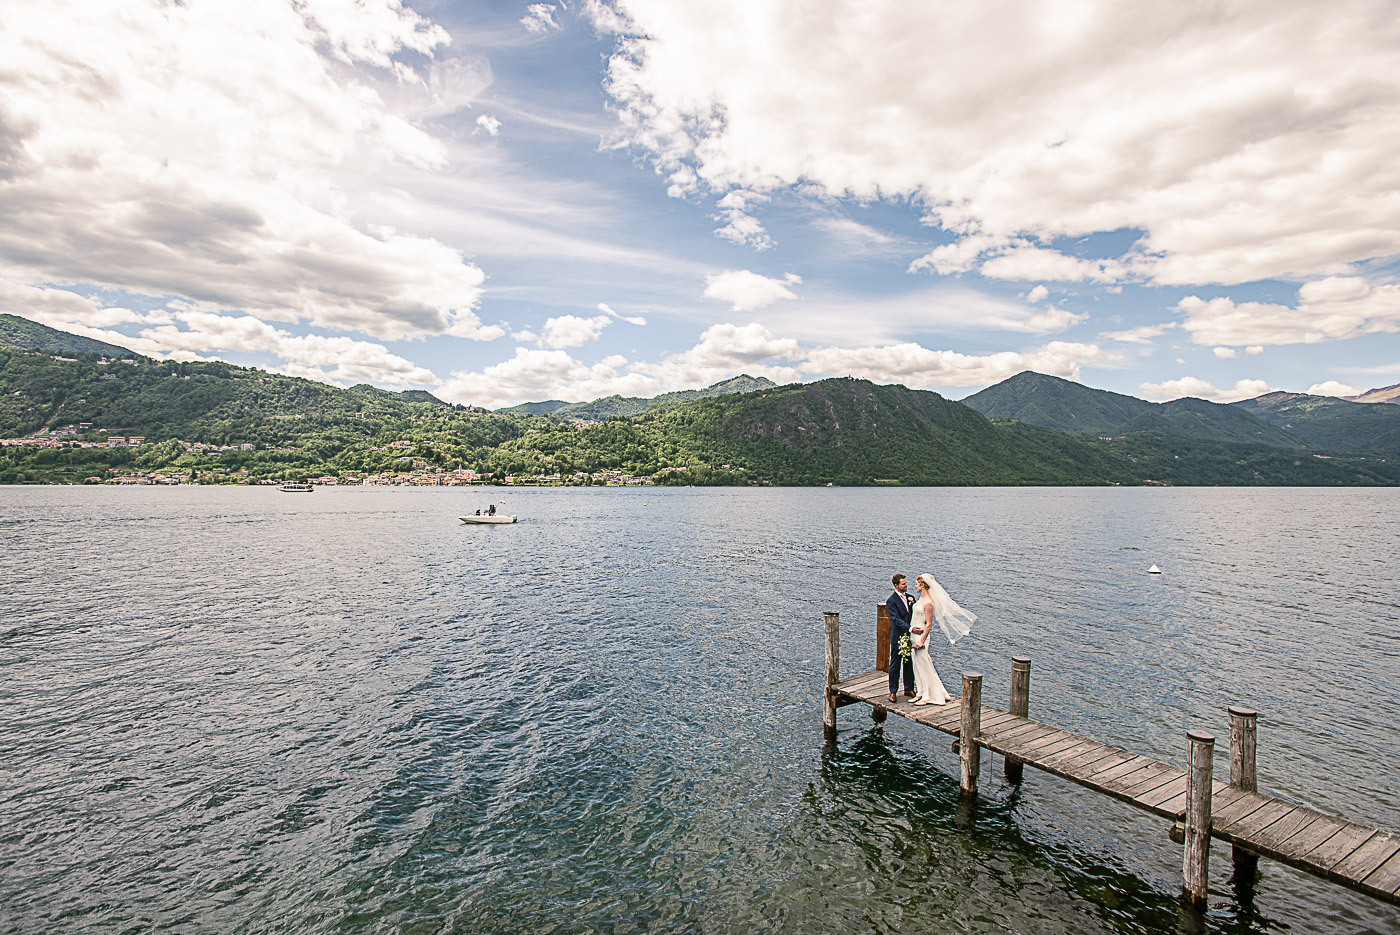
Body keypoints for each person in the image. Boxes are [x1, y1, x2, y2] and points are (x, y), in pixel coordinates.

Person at [910, 573, 954, 706]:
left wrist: (922, 640)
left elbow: (928, 623)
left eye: (917, 584)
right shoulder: (920, 599)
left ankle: (928, 695)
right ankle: (920, 691)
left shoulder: (929, 602)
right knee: (916, 664)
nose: (915, 586)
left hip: (921, 635)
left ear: (923, 586)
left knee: (924, 664)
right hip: (914, 634)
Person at [885, 574, 916, 703]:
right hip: (897, 637)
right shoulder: (891, 601)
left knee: (909, 663)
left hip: (910, 637)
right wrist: (909, 628)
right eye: (903, 584)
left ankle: (909, 687)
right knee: (895, 665)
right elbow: (896, 619)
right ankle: (893, 691)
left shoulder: (911, 598)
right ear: (896, 586)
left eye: (906, 583)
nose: (906, 585)